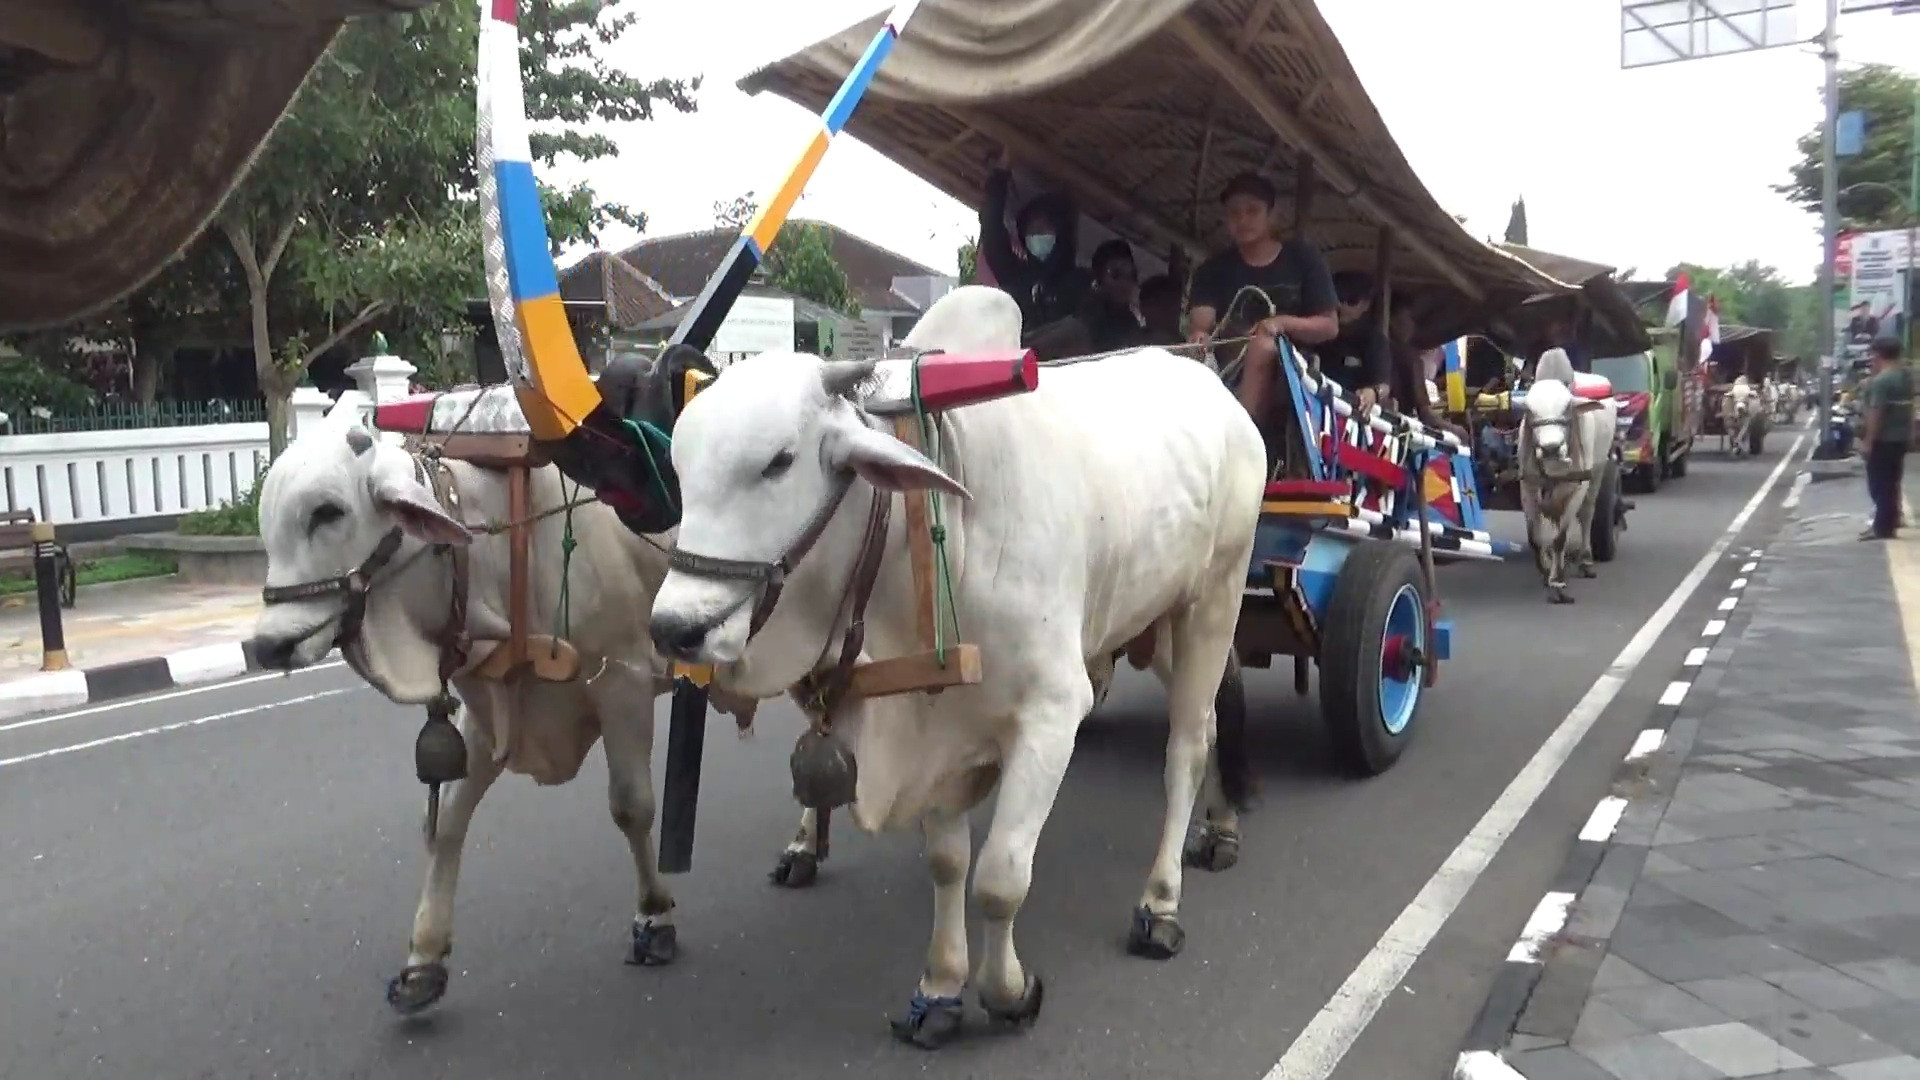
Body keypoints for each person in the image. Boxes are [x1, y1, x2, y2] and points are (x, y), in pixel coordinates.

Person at [1186, 171, 1339, 443]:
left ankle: (1242, 436)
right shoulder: (1212, 269)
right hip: (1227, 363)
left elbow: (1329, 326)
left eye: (1252, 211)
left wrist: (1280, 323)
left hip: (1291, 372)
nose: (1242, 220)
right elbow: (1201, 323)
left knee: (1264, 345)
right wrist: (1199, 338)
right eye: (1234, 213)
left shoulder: (1303, 258)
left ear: (1273, 214)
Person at [978, 148, 1093, 339]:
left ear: (1061, 233)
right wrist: (1000, 176)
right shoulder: (1014, 275)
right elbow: (992, 230)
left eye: (1045, 230)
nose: (1038, 237)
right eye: (1032, 232)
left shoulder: (1080, 283)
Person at [1857, 337, 1912, 541]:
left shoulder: (1881, 381)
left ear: (1878, 354)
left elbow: (1876, 413)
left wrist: (1869, 441)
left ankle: (1882, 527)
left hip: (1883, 440)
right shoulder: (1905, 377)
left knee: (1879, 484)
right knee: (1893, 482)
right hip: (1900, 439)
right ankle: (1890, 522)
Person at [1317, 271, 1391, 407]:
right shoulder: (1316, 332)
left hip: (1351, 412)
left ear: (1366, 304)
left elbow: (1383, 383)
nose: (1342, 306)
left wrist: (1373, 392)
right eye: (1338, 298)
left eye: (1351, 301)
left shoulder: (1373, 340)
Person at [1078, 238, 1149, 352]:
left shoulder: (1132, 323)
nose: (1125, 282)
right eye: (1115, 274)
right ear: (1099, 279)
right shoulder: (1087, 317)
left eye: (1132, 274)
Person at [1138, 274, 1183, 344]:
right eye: (1163, 303)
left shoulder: (1188, 346)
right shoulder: (1130, 345)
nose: (1170, 310)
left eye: (1173, 302)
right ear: (1143, 307)